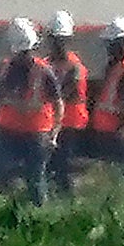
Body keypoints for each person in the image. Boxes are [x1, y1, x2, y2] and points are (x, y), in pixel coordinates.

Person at [0, 17, 57, 199]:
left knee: (36, 181)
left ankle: (39, 214)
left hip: (37, 134)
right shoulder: (2, 68)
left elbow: (58, 102)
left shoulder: (44, 71)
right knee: (1, 176)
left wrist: (54, 134)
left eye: (26, 51)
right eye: (21, 52)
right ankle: (4, 209)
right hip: (9, 132)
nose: (24, 55)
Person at [79, 17, 124, 185]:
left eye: (111, 43)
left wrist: (122, 128)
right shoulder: (114, 65)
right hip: (108, 128)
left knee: (119, 174)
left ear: (120, 43)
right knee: (111, 173)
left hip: (119, 130)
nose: (108, 47)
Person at [38, 10, 88, 197]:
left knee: (64, 164)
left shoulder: (75, 65)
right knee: (51, 164)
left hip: (70, 122)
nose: (57, 44)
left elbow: (68, 92)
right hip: (51, 121)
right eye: (55, 39)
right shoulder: (46, 63)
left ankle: (67, 197)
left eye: (60, 40)